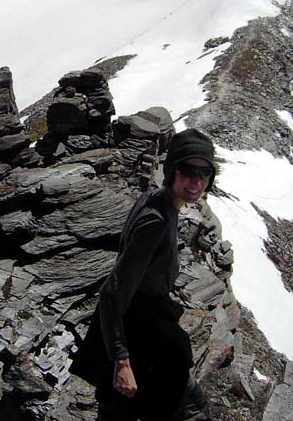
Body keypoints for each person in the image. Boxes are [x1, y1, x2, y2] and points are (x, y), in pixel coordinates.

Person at [70, 128, 215, 421]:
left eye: (205, 173)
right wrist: (122, 363)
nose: (197, 181)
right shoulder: (157, 221)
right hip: (136, 333)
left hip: (143, 326)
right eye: (188, 170)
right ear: (173, 170)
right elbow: (111, 292)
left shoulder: (156, 199)